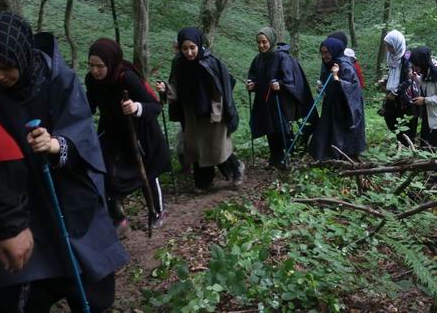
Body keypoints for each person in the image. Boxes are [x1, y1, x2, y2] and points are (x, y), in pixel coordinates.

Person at [0, 12, 128, 312]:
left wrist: (55, 144)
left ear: (21, 56)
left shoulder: (58, 80)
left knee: (89, 284)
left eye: (5, 67)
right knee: (22, 287)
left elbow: (83, 135)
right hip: (18, 199)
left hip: (67, 193)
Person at [85, 39, 170, 235]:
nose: (95, 71)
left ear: (111, 62)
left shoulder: (127, 78)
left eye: (100, 66)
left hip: (139, 131)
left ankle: (157, 211)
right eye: (91, 66)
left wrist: (136, 107)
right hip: (113, 132)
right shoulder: (92, 80)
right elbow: (90, 105)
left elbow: (155, 105)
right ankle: (118, 218)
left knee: (148, 172)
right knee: (106, 172)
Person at [157, 28, 244, 192]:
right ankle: (204, 180)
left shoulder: (210, 62)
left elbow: (223, 86)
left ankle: (236, 168)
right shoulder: (178, 63)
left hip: (212, 111)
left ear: (198, 45)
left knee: (216, 146)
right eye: (185, 49)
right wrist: (165, 89)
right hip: (191, 112)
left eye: (192, 48)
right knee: (197, 147)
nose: (189, 52)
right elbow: (175, 86)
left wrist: (220, 110)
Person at [246, 27, 314, 168]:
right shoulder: (258, 59)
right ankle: (275, 157)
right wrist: (252, 84)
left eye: (264, 42)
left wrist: (280, 84)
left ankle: (290, 156)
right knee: (270, 129)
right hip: (265, 101)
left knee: (282, 128)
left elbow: (290, 78)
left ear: (270, 41)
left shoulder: (282, 57)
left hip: (280, 101)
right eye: (258, 42)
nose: (261, 45)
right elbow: (254, 76)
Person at [309, 37, 366, 161]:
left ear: (334, 51)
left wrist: (336, 77)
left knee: (341, 134)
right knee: (326, 132)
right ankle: (327, 157)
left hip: (345, 108)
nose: (324, 56)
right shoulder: (330, 64)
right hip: (332, 105)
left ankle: (344, 158)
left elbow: (352, 88)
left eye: (327, 52)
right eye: (322, 53)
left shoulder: (345, 65)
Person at [379, 30, 418, 143]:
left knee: (407, 125)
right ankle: (400, 143)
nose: (388, 49)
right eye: (387, 46)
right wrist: (386, 81)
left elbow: (409, 79)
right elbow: (394, 73)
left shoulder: (407, 56)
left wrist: (395, 91)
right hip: (393, 97)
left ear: (397, 44)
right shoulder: (391, 56)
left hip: (406, 98)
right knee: (391, 119)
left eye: (390, 46)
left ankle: (408, 147)